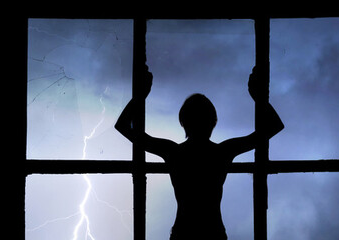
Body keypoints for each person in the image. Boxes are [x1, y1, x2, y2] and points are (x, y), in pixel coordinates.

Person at [115, 66, 284, 239]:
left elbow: (122, 126)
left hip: (183, 232)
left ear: (183, 122)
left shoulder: (174, 152)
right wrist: (258, 97)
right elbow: (274, 126)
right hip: (213, 232)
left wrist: (140, 96)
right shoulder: (222, 152)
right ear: (213, 122)